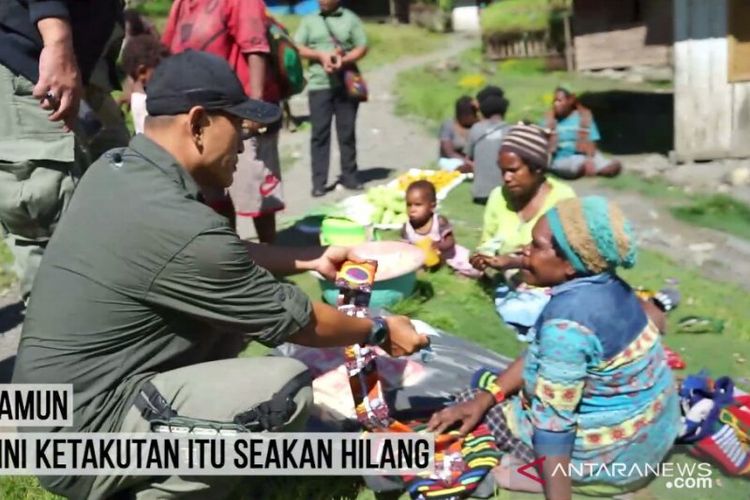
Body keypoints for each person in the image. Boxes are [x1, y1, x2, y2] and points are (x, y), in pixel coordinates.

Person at [12, 51, 429, 499]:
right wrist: (380, 329)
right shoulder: (180, 223)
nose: (244, 148)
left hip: (45, 418)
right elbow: (299, 322)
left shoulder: (117, 170)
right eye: (240, 130)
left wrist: (309, 258)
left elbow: (202, 254)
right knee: (281, 389)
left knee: (229, 325)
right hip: (76, 442)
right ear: (197, 124)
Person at [429, 196, 680, 499]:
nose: (525, 250)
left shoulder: (567, 325)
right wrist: (487, 398)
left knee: (462, 412)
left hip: (607, 461)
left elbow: (554, 429)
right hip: (651, 438)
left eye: (535, 245)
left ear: (569, 264)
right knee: (484, 395)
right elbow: (541, 355)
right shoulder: (613, 287)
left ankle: (535, 476)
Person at [0, 0, 122, 303]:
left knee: (123, 209)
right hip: (35, 63)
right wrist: (56, 37)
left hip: (83, 65)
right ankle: (67, 348)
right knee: (53, 234)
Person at [162, 0, 285, 243]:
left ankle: (271, 258)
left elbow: (255, 48)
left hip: (240, 113)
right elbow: (168, 52)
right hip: (201, 117)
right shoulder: (182, 4)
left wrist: (255, 109)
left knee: (254, 188)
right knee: (213, 193)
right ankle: (229, 255)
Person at [470, 125, 575, 337]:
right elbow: (487, 244)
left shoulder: (563, 200)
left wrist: (516, 261)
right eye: (503, 171)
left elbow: (566, 261)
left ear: (536, 168)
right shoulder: (498, 197)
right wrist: (483, 259)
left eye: (513, 170)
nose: (506, 178)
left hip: (550, 288)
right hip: (510, 284)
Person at [295, 0, 369, 197]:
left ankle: (350, 176)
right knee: (319, 135)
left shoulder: (350, 19)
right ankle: (319, 182)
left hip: (346, 84)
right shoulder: (309, 20)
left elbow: (362, 46)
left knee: (347, 132)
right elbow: (297, 46)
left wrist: (343, 60)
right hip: (319, 85)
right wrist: (320, 55)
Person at [401, 180, 479, 277]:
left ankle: (460, 272)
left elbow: (450, 241)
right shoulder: (407, 227)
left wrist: (439, 246)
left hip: (447, 254)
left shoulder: (439, 221)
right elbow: (404, 247)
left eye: (418, 205)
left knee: (473, 268)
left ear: (432, 206)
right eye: (409, 205)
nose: (412, 210)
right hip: (423, 259)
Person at [544, 85, 622, 179]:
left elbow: (591, 141)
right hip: (562, 158)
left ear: (570, 101)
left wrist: (589, 159)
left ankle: (591, 168)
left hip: (584, 154)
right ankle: (584, 169)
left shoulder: (584, 117)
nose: (556, 104)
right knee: (574, 164)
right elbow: (543, 142)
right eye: (554, 101)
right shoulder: (550, 119)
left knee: (611, 165)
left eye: (560, 101)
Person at [467, 86, 509, 204]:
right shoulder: (510, 131)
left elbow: (468, 159)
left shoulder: (476, 129)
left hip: (479, 194)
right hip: (504, 194)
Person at [121, 34, 169, 134]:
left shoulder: (138, 94)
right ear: (142, 72)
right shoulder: (146, 105)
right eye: (161, 71)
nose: (166, 75)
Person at [438, 95, 479, 172]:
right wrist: (467, 162)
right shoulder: (448, 125)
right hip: (452, 160)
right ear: (463, 115)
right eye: (473, 115)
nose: (475, 117)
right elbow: (449, 152)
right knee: (455, 164)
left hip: (474, 161)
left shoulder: (478, 125)